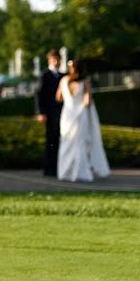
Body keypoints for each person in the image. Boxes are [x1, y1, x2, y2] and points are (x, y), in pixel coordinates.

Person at [56, 59, 110, 182]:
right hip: (75, 115)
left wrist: (71, 101)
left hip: (71, 114)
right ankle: (74, 172)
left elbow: (59, 98)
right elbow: (87, 101)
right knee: (72, 142)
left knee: (73, 142)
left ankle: (70, 172)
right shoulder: (80, 81)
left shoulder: (66, 81)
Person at [35, 49, 65, 177]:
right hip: (50, 113)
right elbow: (39, 94)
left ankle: (60, 167)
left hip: (62, 113)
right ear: (50, 60)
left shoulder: (63, 76)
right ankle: (49, 168)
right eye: (54, 59)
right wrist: (41, 112)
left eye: (58, 59)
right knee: (51, 140)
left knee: (59, 140)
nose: (56, 61)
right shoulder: (45, 75)